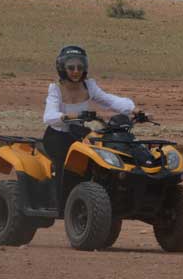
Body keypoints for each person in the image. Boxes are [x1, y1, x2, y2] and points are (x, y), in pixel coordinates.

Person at [42, 45, 135, 198]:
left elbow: (109, 101)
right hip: (57, 137)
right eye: (71, 67)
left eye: (80, 67)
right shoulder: (56, 89)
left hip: (78, 135)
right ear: (62, 68)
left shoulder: (89, 86)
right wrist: (67, 117)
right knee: (65, 167)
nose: (76, 71)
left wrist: (132, 110)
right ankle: (61, 201)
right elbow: (49, 116)